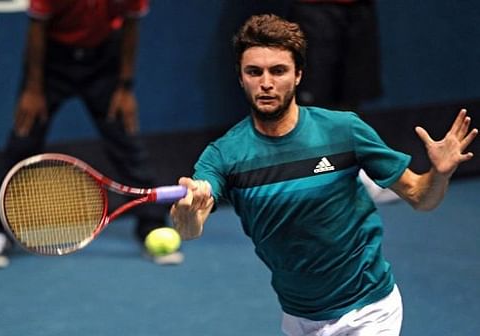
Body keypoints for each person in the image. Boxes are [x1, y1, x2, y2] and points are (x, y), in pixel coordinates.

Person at [169, 14, 477, 335]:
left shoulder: (344, 130)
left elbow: (419, 196)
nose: (266, 83)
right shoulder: (224, 154)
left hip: (368, 310)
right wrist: (189, 211)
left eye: (278, 71)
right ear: (240, 78)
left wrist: (439, 174)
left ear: (298, 75)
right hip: (298, 318)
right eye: (254, 72)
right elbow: (189, 230)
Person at [0, 0, 183, 268]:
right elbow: (37, 30)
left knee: (127, 143)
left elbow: (131, 27)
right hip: (53, 61)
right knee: (23, 140)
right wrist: (33, 88)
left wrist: (125, 87)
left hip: (103, 60)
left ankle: (151, 224)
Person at [286, 0, 400, 203]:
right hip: (314, 8)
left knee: (350, 97)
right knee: (312, 104)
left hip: (359, 8)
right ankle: (308, 183)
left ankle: (352, 176)